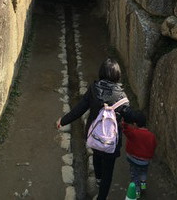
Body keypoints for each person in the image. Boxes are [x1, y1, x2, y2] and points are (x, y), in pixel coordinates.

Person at [57, 58, 140, 200]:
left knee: (96, 155)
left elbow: (80, 108)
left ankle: (98, 178)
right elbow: (131, 116)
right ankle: (101, 195)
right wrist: (141, 120)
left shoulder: (94, 89)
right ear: (117, 75)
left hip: (95, 135)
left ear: (101, 73)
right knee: (109, 171)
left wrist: (63, 121)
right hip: (111, 143)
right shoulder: (122, 98)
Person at [122, 111, 157, 199]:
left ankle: (137, 194)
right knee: (143, 173)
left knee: (135, 176)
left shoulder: (134, 133)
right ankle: (143, 186)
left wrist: (124, 123)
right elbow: (154, 146)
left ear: (135, 124)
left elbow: (125, 130)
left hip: (133, 160)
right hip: (145, 161)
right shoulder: (151, 136)